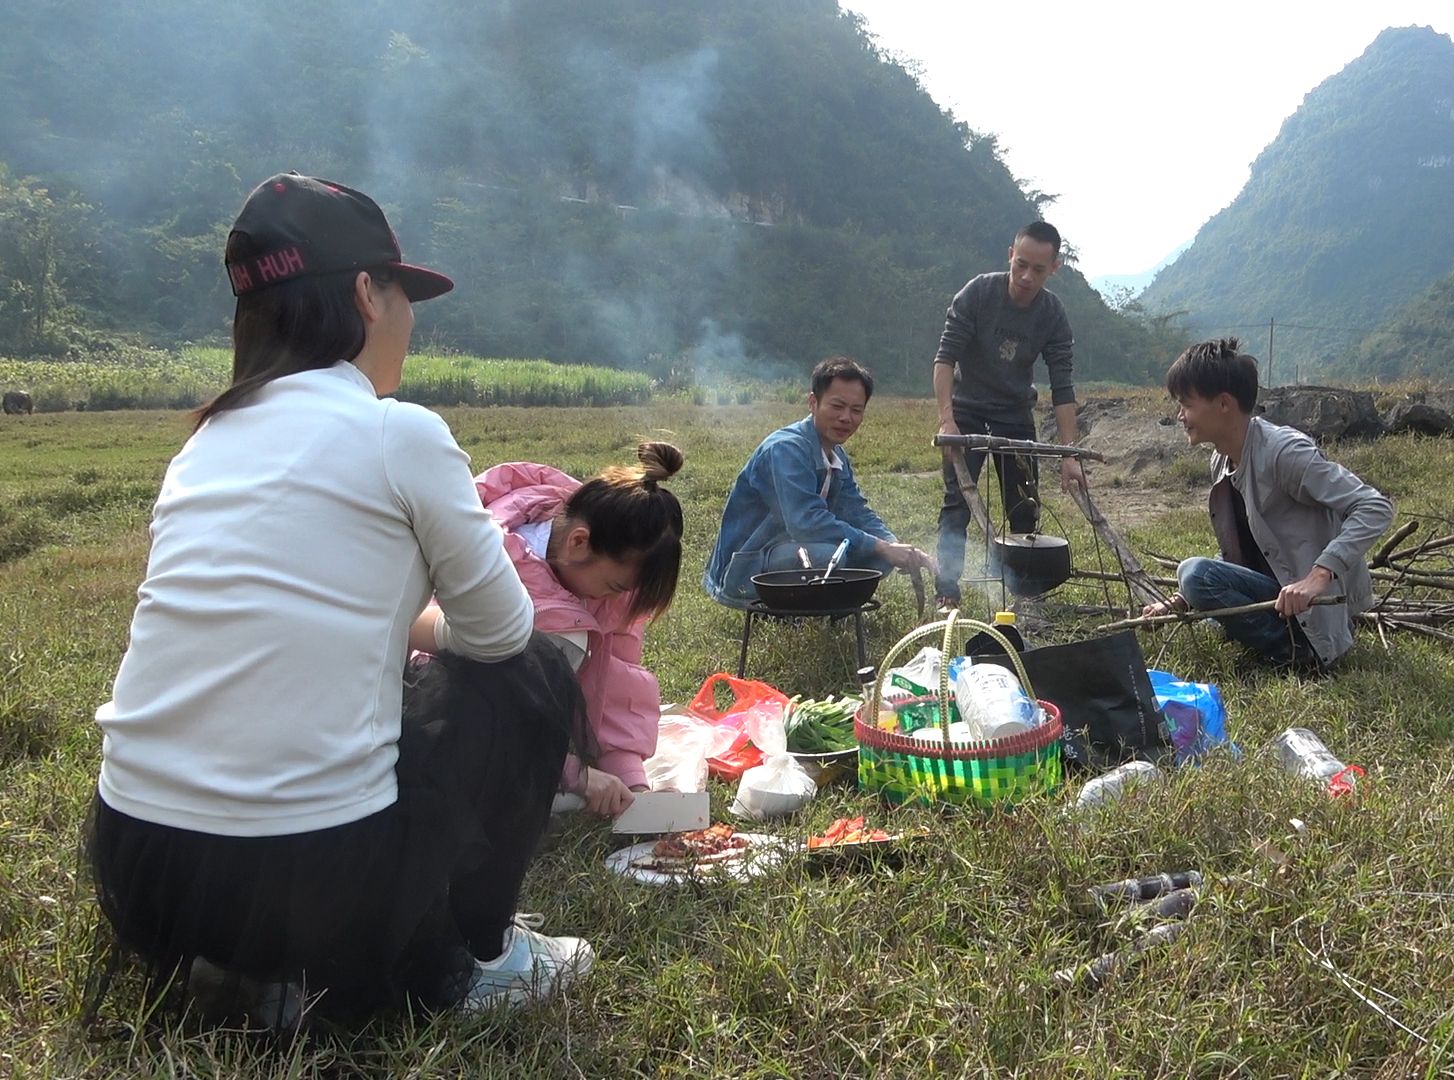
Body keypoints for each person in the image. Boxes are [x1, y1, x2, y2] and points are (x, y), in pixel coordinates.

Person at [85, 173, 591, 1029]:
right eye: (403, 294)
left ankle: (239, 972)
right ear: (365, 292)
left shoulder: (207, 441)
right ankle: (478, 956)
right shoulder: (400, 432)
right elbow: (503, 635)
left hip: (140, 865)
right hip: (302, 879)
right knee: (537, 674)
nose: (410, 319)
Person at [1141, 337, 1393, 667]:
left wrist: (1319, 576)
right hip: (1274, 592)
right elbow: (1244, 550)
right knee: (1201, 585)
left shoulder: (1284, 453)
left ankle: (1297, 652)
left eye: (1187, 404)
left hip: (1307, 608)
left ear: (1224, 404)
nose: (1180, 416)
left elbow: (1374, 507)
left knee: (1194, 572)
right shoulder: (1222, 461)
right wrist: (1177, 602)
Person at [469, 445, 684, 819]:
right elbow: (473, 708)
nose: (618, 598)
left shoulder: (603, 581)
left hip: (541, 744)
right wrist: (575, 774)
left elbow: (617, 679)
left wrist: (628, 777)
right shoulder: (487, 571)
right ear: (578, 542)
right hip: (466, 740)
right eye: (615, 587)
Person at [932, 221, 1087, 609]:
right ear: (1010, 255)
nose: (1026, 276)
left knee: (1024, 506)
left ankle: (1023, 593)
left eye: (1038, 269)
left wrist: (1070, 454)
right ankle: (947, 590)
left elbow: (1062, 386)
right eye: (1021, 264)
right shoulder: (978, 293)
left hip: (1015, 416)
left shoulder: (1052, 314)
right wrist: (946, 420)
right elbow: (945, 359)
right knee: (957, 503)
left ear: (1055, 268)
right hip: (967, 413)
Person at [705, 356, 933, 608]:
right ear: (813, 402)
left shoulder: (835, 454)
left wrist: (894, 545)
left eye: (856, 410)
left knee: (882, 557)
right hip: (748, 565)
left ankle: (826, 607)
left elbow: (856, 510)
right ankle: (786, 611)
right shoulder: (786, 450)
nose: (846, 417)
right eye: (837, 406)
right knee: (827, 557)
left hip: (789, 549)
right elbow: (805, 522)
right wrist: (879, 546)